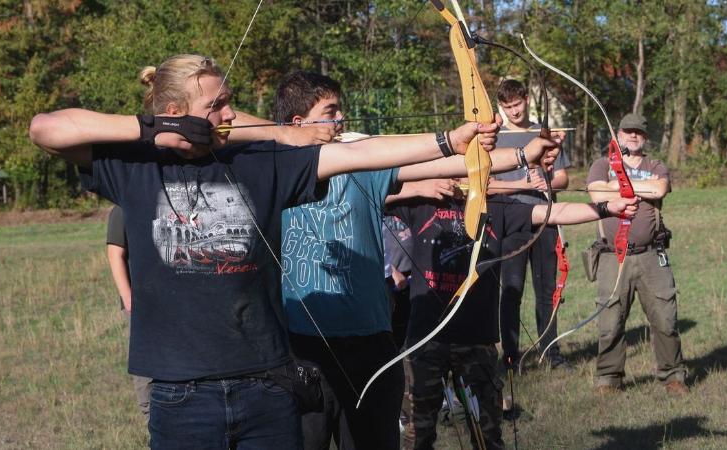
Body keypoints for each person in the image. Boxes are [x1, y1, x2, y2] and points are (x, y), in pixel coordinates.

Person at [28, 54, 504, 449]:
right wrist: (156, 128)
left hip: (266, 386)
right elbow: (45, 128)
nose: (232, 114)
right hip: (180, 392)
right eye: (218, 105)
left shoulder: (257, 164)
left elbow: (355, 155)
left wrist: (449, 140)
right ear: (176, 109)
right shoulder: (134, 168)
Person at [274, 71, 563, 450]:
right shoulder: (271, 169)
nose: (341, 118)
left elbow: (444, 164)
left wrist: (523, 154)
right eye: (331, 111)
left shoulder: (364, 166)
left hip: (369, 345)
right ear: (298, 123)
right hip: (303, 348)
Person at [388, 179, 639, 450]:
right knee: (417, 435)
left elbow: (554, 212)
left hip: (477, 339)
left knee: (488, 435)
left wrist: (607, 207)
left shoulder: (497, 206)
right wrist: (419, 188)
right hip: (427, 338)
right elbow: (374, 191)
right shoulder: (424, 202)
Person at [586, 113, 688, 396]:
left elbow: (659, 188)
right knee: (610, 321)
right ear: (618, 135)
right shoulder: (602, 165)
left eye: (638, 133)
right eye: (627, 131)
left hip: (651, 255)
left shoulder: (655, 165)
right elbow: (596, 194)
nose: (633, 136)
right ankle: (609, 379)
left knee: (665, 319)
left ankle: (672, 376)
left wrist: (617, 188)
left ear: (645, 138)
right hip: (611, 255)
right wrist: (636, 189)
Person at [488, 79, 572, 371]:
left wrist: (546, 179)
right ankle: (510, 357)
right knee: (511, 290)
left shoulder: (543, 133)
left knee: (547, 290)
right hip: (511, 224)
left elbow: (562, 177)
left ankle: (552, 354)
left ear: (526, 99)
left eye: (517, 104)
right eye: (507, 106)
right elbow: (487, 185)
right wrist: (522, 183)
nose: (513, 111)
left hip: (545, 222)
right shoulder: (496, 139)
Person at [105, 205, 151, 422]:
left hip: (172, 302)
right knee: (146, 365)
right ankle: (150, 415)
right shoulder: (122, 208)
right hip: (141, 304)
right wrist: (129, 299)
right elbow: (115, 254)